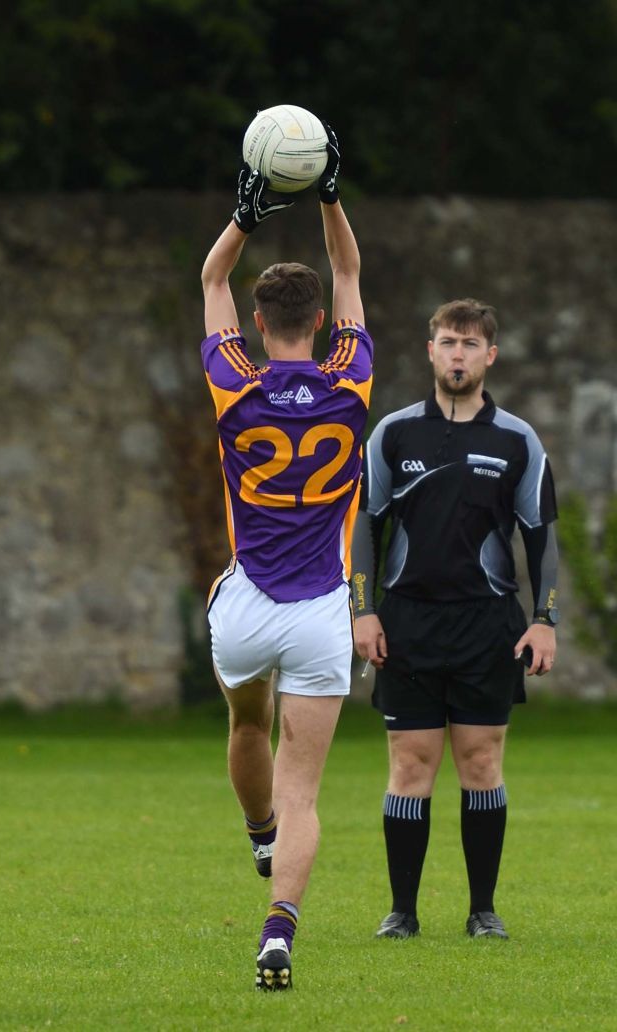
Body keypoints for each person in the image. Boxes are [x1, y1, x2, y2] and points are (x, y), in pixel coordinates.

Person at [200, 127, 370, 990]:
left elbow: (210, 278)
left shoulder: (234, 382)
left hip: (246, 607)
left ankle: (257, 833)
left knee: (243, 723)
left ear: (261, 324)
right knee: (308, 789)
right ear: (323, 325)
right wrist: (329, 193)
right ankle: (278, 931)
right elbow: (350, 275)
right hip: (319, 612)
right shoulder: (351, 381)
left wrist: (244, 213)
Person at [351, 299, 559, 942]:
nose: (459, 354)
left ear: (489, 356)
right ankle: (402, 912)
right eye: (448, 342)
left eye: (471, 344)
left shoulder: (517, 440)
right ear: (431, 351)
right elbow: (364, 527)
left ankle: (483, 911)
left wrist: (544, 616)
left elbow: (542, 536)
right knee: (410, 764)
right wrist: (362, 610)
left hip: (487, 624)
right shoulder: (392, 434)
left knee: (480, 762)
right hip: (406, 622)